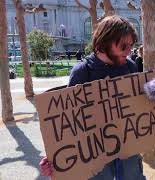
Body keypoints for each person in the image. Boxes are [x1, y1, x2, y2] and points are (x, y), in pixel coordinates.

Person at [39, 15, 146, 180]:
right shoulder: (82, 72)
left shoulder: (130, 66)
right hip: (97, 159)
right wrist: (55, 156)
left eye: (131, 46)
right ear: (105, 42)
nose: (128, 51)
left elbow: (140, 107)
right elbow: (68, 120)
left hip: (129, 156)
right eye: (124, 46)